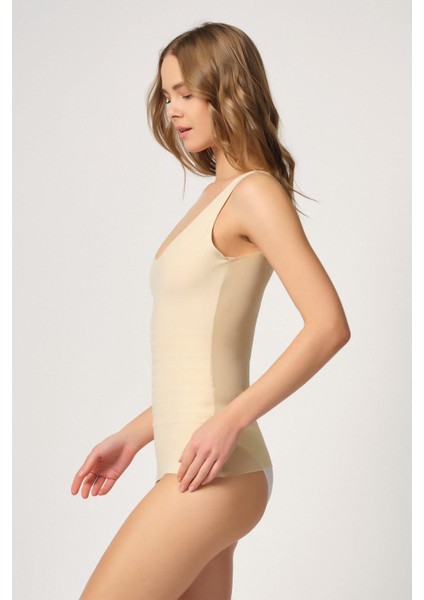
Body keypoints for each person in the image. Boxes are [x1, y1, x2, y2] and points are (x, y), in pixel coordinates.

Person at [71, 21, 351, 600]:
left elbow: (328, 326)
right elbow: (198, 362)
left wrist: (229, 422)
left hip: (220, 468)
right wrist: (132, 435)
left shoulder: (254, 192)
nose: (173, 109)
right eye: (166, 95)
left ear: (228, 90)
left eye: (186, 93)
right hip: (196, 462)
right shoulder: (214, 195)